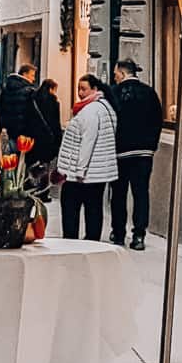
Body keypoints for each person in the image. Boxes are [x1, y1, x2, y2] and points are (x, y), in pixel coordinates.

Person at [106, 57, 163, 250]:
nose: (114, 79)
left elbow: (108, 124)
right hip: (143, 154)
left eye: (115, 75)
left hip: (120, 153)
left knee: (118, 194)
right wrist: (151, 147)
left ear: (122, 74)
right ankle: (139, 235)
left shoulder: (113, 94)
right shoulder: (150, 93)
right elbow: (158, 120)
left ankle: (119, 232)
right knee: (141, 194)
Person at [55, 73, 117, 240]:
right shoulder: (103, 107)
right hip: (97, 171)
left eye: (84, 89)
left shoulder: (91, 111)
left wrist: (80, 170)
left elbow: (88, 142)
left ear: (94, 89)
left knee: (72, 209)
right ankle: (91, 242)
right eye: (78, 89)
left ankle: (72, 243)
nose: (80, 93)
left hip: (82, 173)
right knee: (93, 209)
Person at [0, 59, 39, 144]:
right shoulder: (29, 91)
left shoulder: (7, 88)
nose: (34, 79)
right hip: (24, 131)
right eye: (32, 75)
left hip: (9, 129)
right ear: (25, 74)